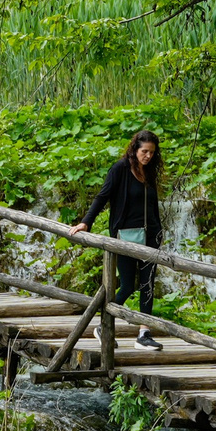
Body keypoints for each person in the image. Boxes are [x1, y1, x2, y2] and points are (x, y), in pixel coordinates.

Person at [73, 130, 166, 351]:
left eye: (152, 152)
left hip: (150, 236)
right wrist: (86, 222)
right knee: (128, 284)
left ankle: (144, 333)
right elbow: (102, 196)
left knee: (147, 284)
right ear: (135, 149)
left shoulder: (150, 172)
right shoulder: (120, 169)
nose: (148, 156)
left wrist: (159, 231)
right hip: (125, 236)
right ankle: (103, 325)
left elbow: (152, 205)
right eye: (144, 152)